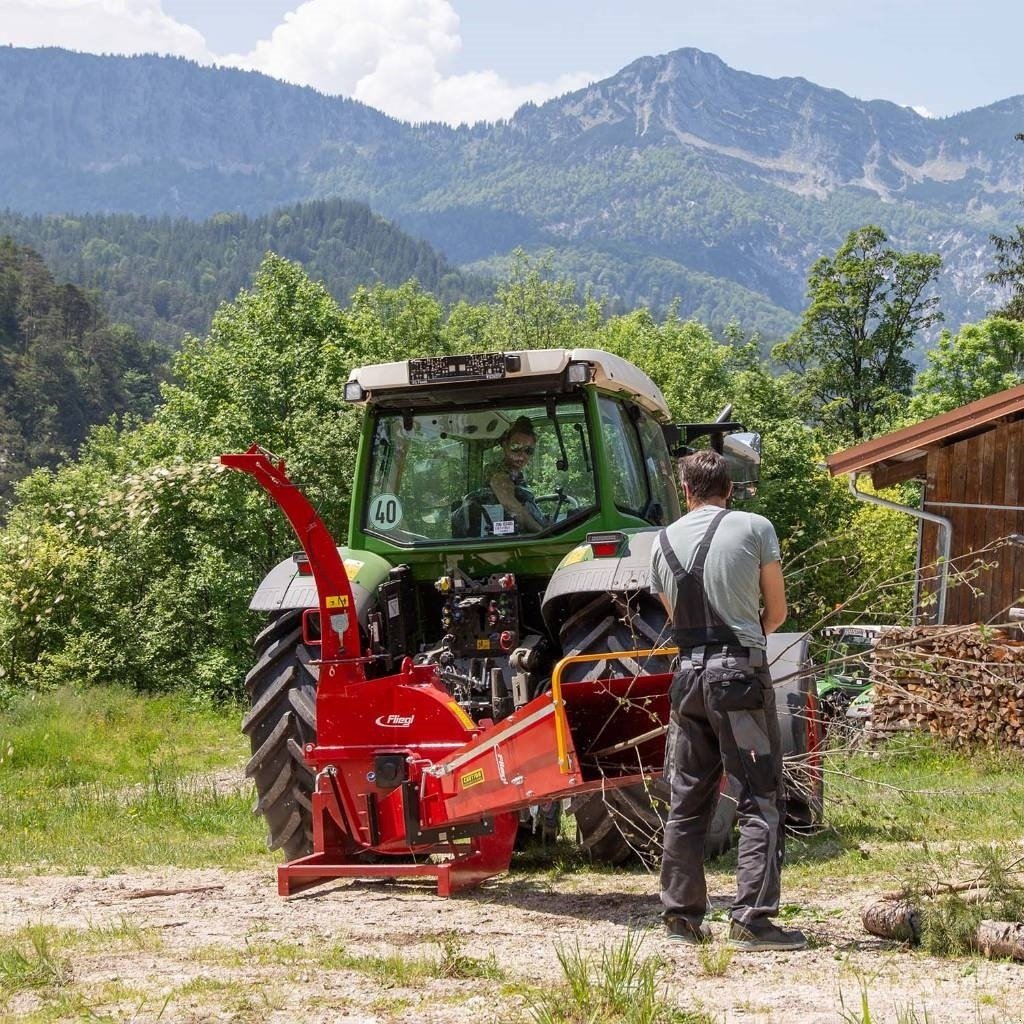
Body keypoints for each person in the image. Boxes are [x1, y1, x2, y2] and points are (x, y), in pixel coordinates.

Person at [649, 448, 805, 951]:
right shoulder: (755, 526)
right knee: (759, 797)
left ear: (686, 490)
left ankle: (681, 920)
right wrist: (743, 643)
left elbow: (676, 618)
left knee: (687, 799)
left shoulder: (662, 541)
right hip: (738, 678)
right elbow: (776, 613)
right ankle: (752, 921)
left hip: (687, 680)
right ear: (730, 489)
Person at [487, 416, 547, 534]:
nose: (522, 455)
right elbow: (512, 507)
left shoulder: (516, 475)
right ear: (505, 445)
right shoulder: (498, 473)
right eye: (515, 447)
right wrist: (543, 533)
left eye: (528, 450)